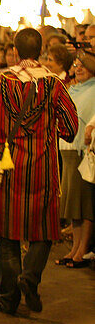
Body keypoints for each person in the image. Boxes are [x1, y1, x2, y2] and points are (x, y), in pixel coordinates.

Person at [0, 28, 78, 315]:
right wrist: (48, 133)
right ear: (41, 50)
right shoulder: (54, 85)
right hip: (43, 167)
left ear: (16, 51)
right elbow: (70, 128)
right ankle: (30, 276)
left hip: (8, 165)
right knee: (44, 230)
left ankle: (7, 298)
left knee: (7, 232)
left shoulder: (0, 82)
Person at [58, 53, 95, 268]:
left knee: (84, 202)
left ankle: (83, 249)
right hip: (67, 148)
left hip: (83, 150)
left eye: (84, 66)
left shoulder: (93, 89)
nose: (78, 69)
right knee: (73, 202)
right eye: (76, 65)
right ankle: (74, 248)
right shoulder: (73, 88)